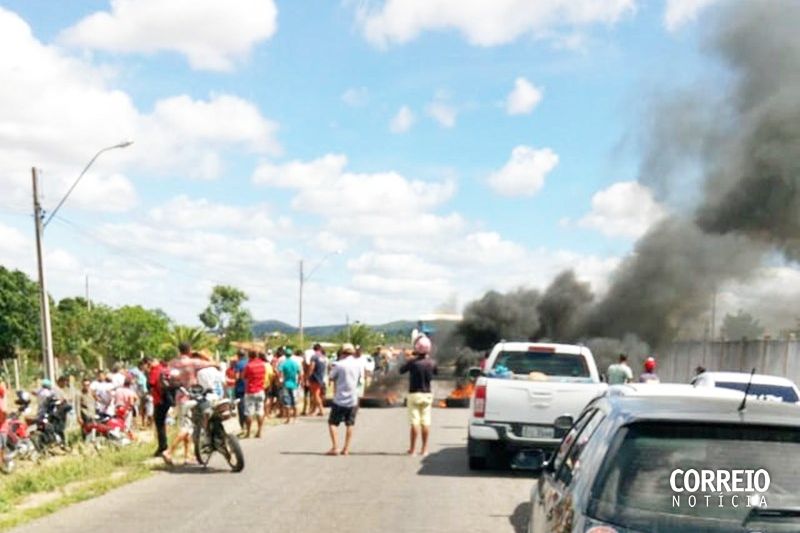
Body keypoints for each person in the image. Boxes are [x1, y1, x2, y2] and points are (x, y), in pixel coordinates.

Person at [162, 342, 216, 465]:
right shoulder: (192, 362)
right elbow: (212, 364)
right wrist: (204, 355)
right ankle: (169, 451)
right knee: (187, 427)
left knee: (186, 424)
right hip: (191, 396)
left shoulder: (173, 363)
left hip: (179, 396)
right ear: (189, 350)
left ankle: (187, 456)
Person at [400, 335, 437, 456]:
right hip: (427, 394)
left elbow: (401, 370)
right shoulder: (432, 362)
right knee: (425, 422)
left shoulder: (412, 362)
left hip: (414, 394)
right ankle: (424, 449)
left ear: (417, 348)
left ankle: (412, 449)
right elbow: (435, 372)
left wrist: (409, 358)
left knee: (414, 423)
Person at [326, 343, 363, 456]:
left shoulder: (339, 365)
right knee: (350, 424)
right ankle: (346, 448)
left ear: (342, 352)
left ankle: (335, 447)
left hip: (340, 398)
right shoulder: (358, 364)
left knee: (332, 423)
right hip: (353, 398)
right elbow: (359, 380)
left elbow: (331, 377)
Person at [242, 350, 267, 438]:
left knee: (249, 412)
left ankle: (248, 433)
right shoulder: (262, 364)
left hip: (250, 391)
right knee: (260, 411)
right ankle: (259, 431)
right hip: (260, 390)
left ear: (249, 356)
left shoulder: (248, 366)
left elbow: (243, 376)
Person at [148, 359, 170, 457]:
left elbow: (151, 384)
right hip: (167, 399)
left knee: (159, 424)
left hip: (159, 400)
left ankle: (162, 447)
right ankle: (163, 446)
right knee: (162, 423)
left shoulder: (154, 370)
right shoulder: (163, 368)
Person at [278, 348, 301, 424]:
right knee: (295, 402)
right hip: (294, 384)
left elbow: (280, 373)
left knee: (287, 402)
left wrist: (280, 382)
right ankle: (295, 418)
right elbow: (300, 373)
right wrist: (299, 382)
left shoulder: (283, 363)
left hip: (286, 384)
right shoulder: (295, 363)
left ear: (285, 355)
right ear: (291, 355)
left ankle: (288, 419)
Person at [308, 344, 327, 417]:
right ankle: (314, 410)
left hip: (314, 378)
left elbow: (312, 367)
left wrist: (309, 376)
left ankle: (321, 410)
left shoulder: (314, 357)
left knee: (315, 395)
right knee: (316, 394)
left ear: (314, 349)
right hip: (321, 377)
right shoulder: (323, 357)